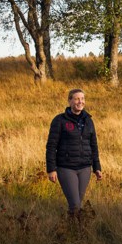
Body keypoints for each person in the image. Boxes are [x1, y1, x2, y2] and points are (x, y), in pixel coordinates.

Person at [46, 89, 103, 223]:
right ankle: (78, 233)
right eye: (77, 99)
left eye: (82, 99)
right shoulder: (59, 120)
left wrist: (97, 167)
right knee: (76, 205)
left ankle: (69, 229)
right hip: (66, 168)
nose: (80, 102)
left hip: (84, 168)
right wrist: (51, 169)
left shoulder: (88, 121)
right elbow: (51, 146)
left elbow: (94, 145)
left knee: (76, 203)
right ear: (70, 101)